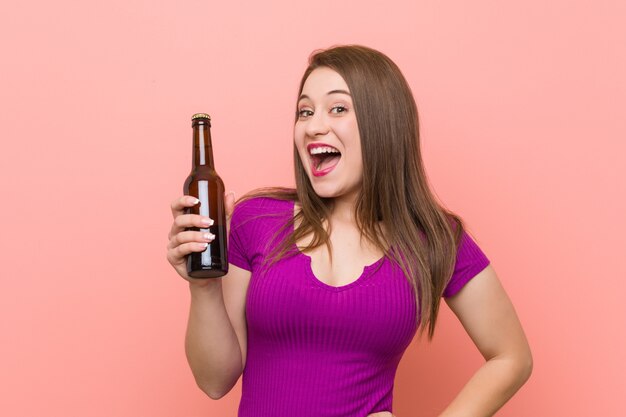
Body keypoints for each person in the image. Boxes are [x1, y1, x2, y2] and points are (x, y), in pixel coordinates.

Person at [166, 45, 532, 417]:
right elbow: (214, 381)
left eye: (338, 108)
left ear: (383, 123)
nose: (313, 126)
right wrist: (203, 285)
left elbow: (512, 357)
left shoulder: (434, 239)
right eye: (304, 111)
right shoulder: (254, 220)